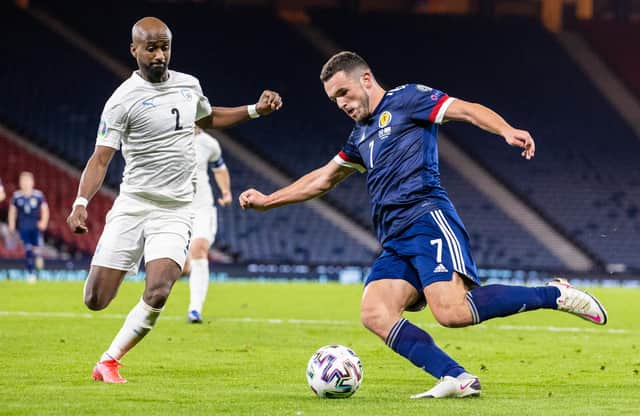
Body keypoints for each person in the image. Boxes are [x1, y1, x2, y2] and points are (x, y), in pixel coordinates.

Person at [239, 51, 607, 398]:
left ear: (366, 79)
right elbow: (323, 178)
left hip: (427, 219)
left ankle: (553, 294)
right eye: (335, 100)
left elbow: (466, 110)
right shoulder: (360, 135)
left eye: (344, 93)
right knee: (375, 312)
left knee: (451, 313)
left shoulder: (408, 99)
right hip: (394, 239)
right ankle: (457, 378)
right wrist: (269, 200)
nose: (342, 104)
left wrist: (505, 130)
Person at [66, 16, 282, 384]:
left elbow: (209, 117)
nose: (159, 55)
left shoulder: (188, 85)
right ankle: (125, 260)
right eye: (150, 48)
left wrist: (254, 111)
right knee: (96, 300)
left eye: (164, 47)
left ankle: (109, 361)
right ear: (134, 50)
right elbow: (101, 158)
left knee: (160, 288)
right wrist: (81, 202)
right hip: (133, 205)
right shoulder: (121, 100)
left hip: (176, 210)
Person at [183, 127, 232, 324]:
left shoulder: (209, 143)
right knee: (180, 266)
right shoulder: (166, 136)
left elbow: (219, 168)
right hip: (175, 209)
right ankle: (184, 268)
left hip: (202, 208)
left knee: (199, 248)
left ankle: (195, 309)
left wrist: (226, 192)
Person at [8, 171, 49, 282]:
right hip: (23, 227)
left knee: (37, 250)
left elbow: (45, 209)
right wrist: (11, 225)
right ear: (20, 183)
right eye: (23, 181)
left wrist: (44, 222)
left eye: (28, 180)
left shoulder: (38, 195)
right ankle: (31, 274)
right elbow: (12, 211)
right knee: (28, 250)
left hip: (35, 227)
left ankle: (38, 260)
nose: (25, 183)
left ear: (32, 182)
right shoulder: (17, 196)